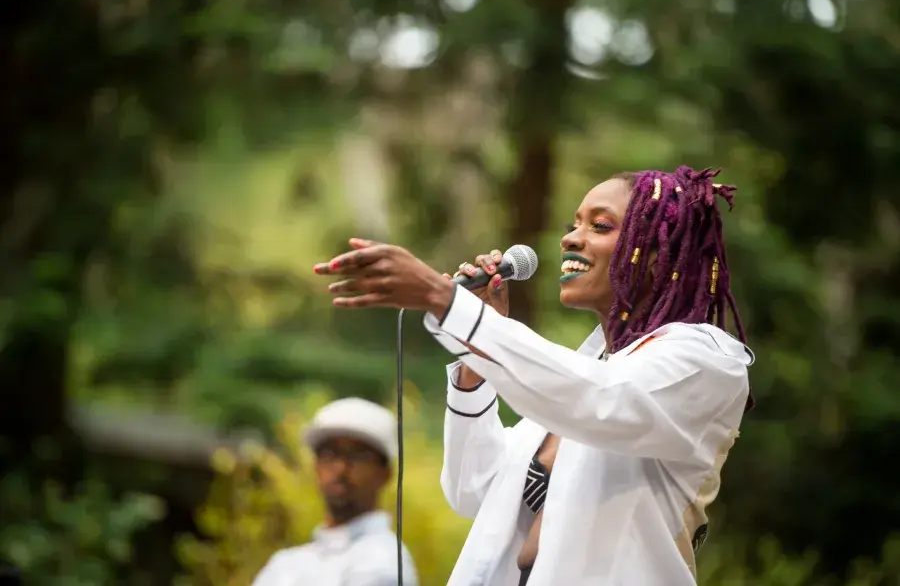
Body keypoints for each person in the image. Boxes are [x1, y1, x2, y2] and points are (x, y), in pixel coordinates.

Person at [313, 166, 755, 585]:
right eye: (573, 225)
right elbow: (471, 489)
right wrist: (474, 359)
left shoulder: (706, 360)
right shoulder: (574, 384)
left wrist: (444, 298)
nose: (571, 239)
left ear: (660, 257)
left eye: (600, 227)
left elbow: (600, 400)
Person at [251, 397, 418, 586]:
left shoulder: (384, 561)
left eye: (357, 455)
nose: (340, 467)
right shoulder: (285, 564)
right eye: (330, 453)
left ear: (385, 473)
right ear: (315, 466)